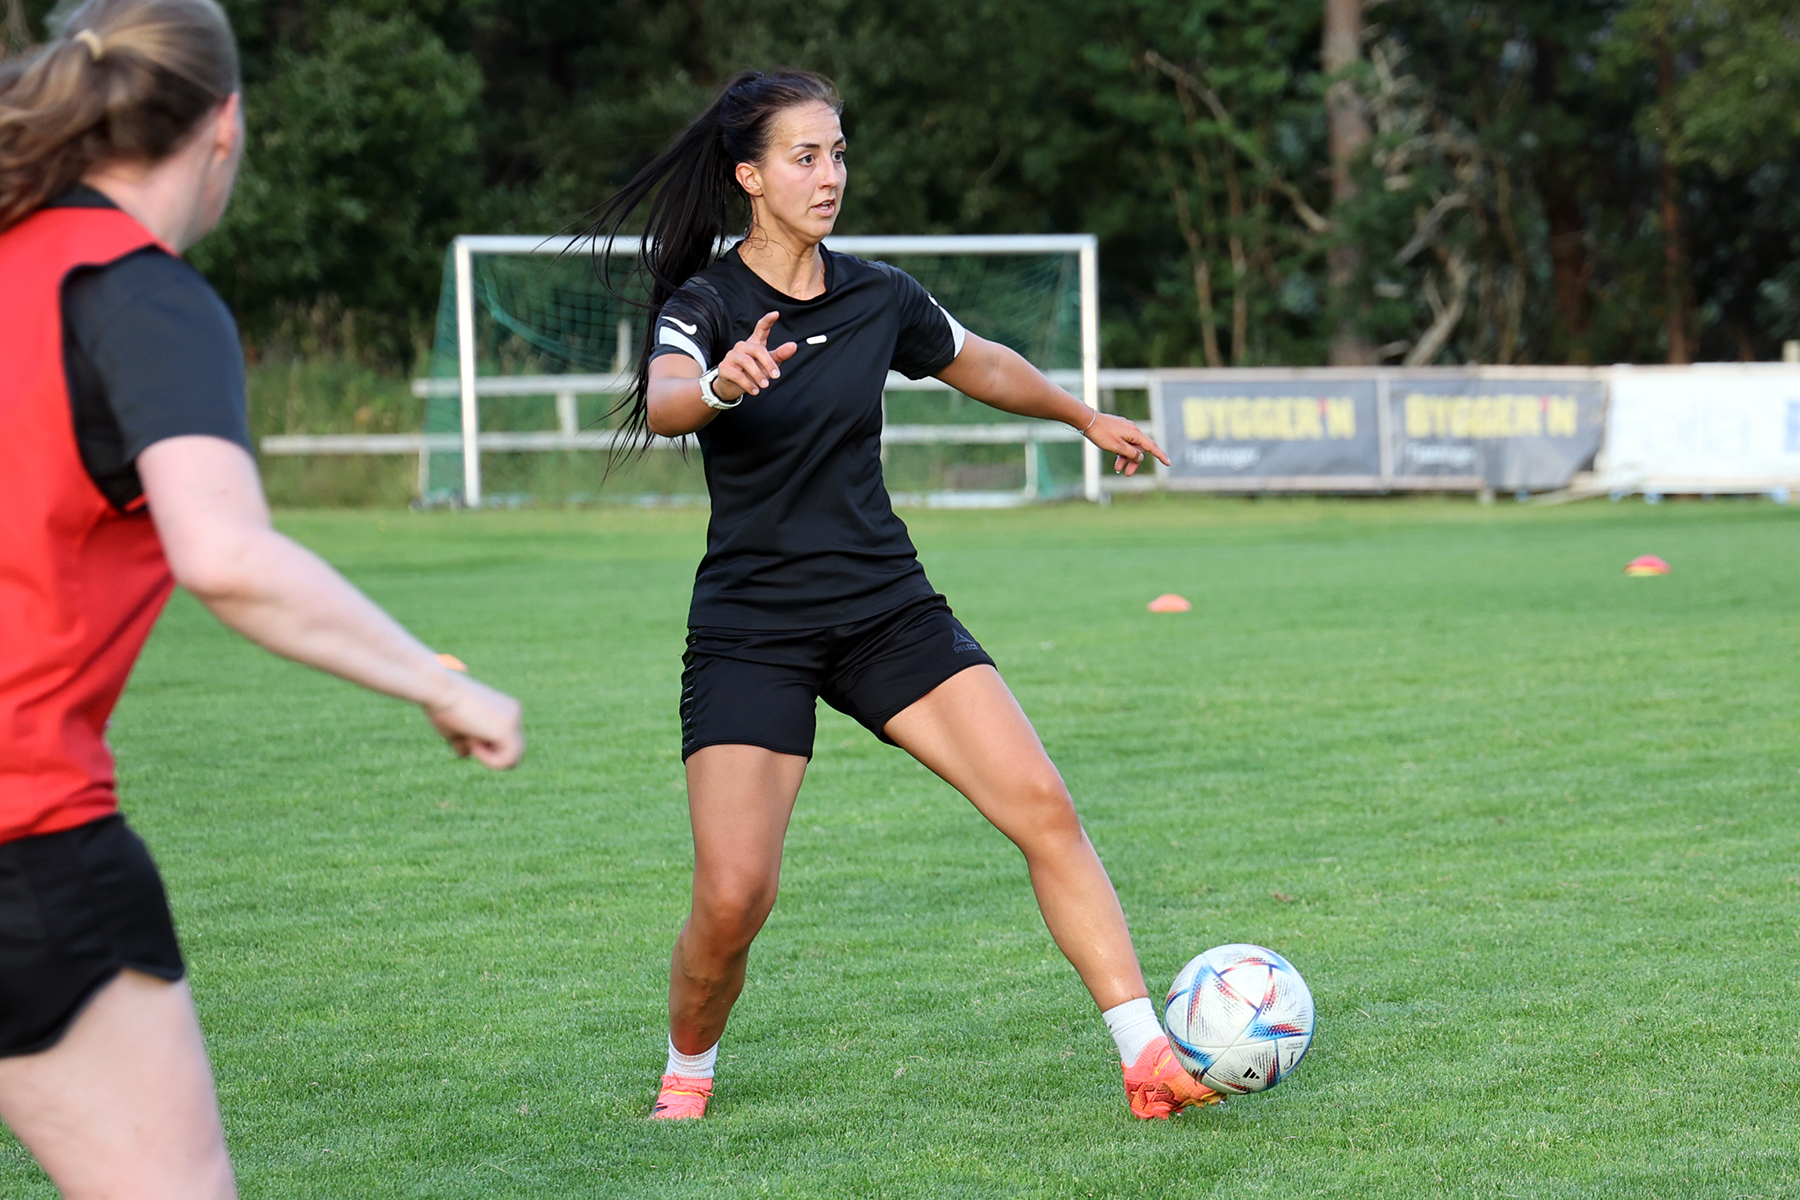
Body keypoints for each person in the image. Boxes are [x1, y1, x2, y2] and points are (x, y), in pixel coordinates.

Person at [589, 69, 1210, 1122]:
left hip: (886, 609)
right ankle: (686, 1071)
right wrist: (724, 385)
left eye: (837, 152)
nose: (829, 175)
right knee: (736, 896)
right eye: (804, 156)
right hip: (753, 631)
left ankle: (1145, 1053)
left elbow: (980, 364)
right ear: (750, 177)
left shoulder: (880, 296)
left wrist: (1083, 417)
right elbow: (665, 403)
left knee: (1044, 809)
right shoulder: (707, 304)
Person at [0, 2, 525, 1195]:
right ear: (226, 125)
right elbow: (227, 555)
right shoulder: (140, 298)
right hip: (25, 839)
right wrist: (437, 680)